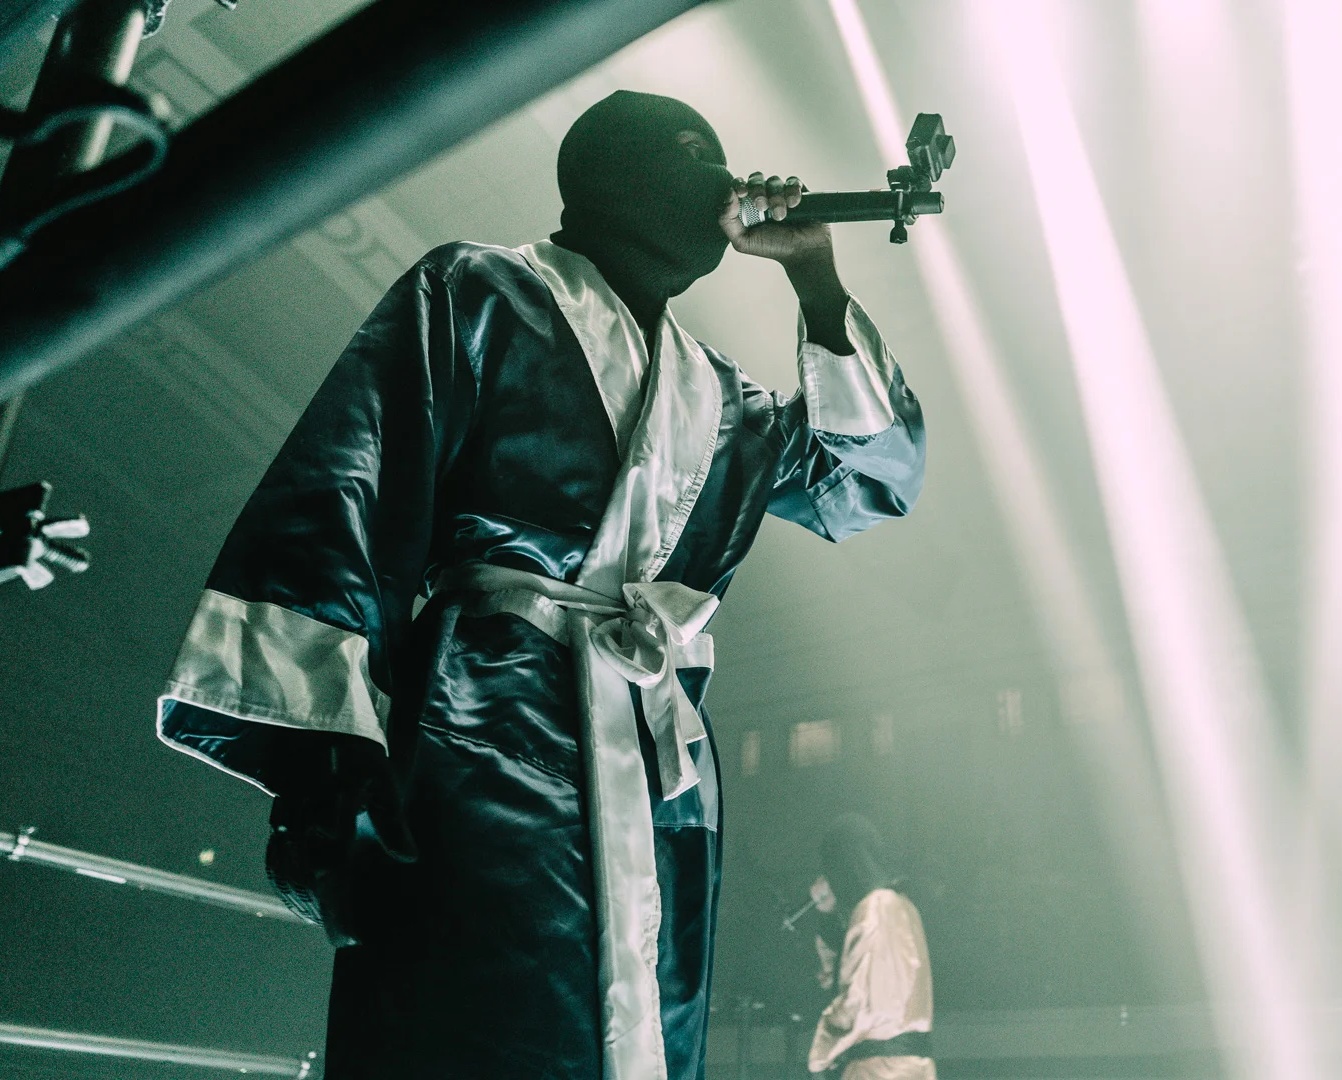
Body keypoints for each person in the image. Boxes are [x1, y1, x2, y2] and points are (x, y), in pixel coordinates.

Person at [155, 90, 925, 1080]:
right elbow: (347, 488)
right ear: (612, 175)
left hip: (659, 771)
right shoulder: (475, 291)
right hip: (483, 729)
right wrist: (320, 790)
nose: (722, 179)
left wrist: (816, 282)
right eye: (689, 152)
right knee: (471, 1025)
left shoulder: (724, 400)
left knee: (641, 1031)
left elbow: (868, 482)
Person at [808, 815, 936, 1079]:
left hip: (879, 1069)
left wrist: (821, 1051)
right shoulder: (901, 905)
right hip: (911, 1067)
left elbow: (855, 996)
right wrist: (828, 916)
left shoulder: (874, 908)